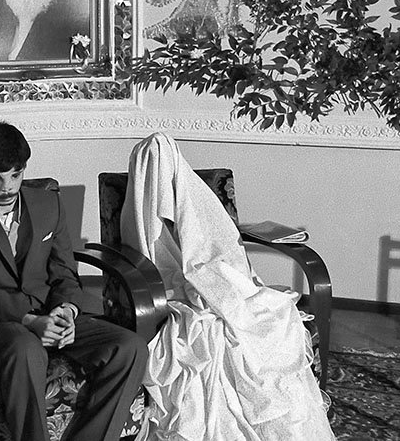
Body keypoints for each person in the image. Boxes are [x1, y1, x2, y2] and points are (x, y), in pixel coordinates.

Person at [120, 133, 336, 440]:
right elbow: (150, 249)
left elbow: (210, 241)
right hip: (166, 283)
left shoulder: (196, 196)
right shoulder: (137, 211)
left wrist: (214, 276)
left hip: (214, 274)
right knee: (206, 331)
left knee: (262, 317)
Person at [0, 121, 148, 441]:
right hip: (0, 322)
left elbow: (64, 271)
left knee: (130, 348)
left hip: (50, 311)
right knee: (26, 349)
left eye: (15, 175)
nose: (7, 187)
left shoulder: (48, 204)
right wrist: (30, 320)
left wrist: (66, 311)